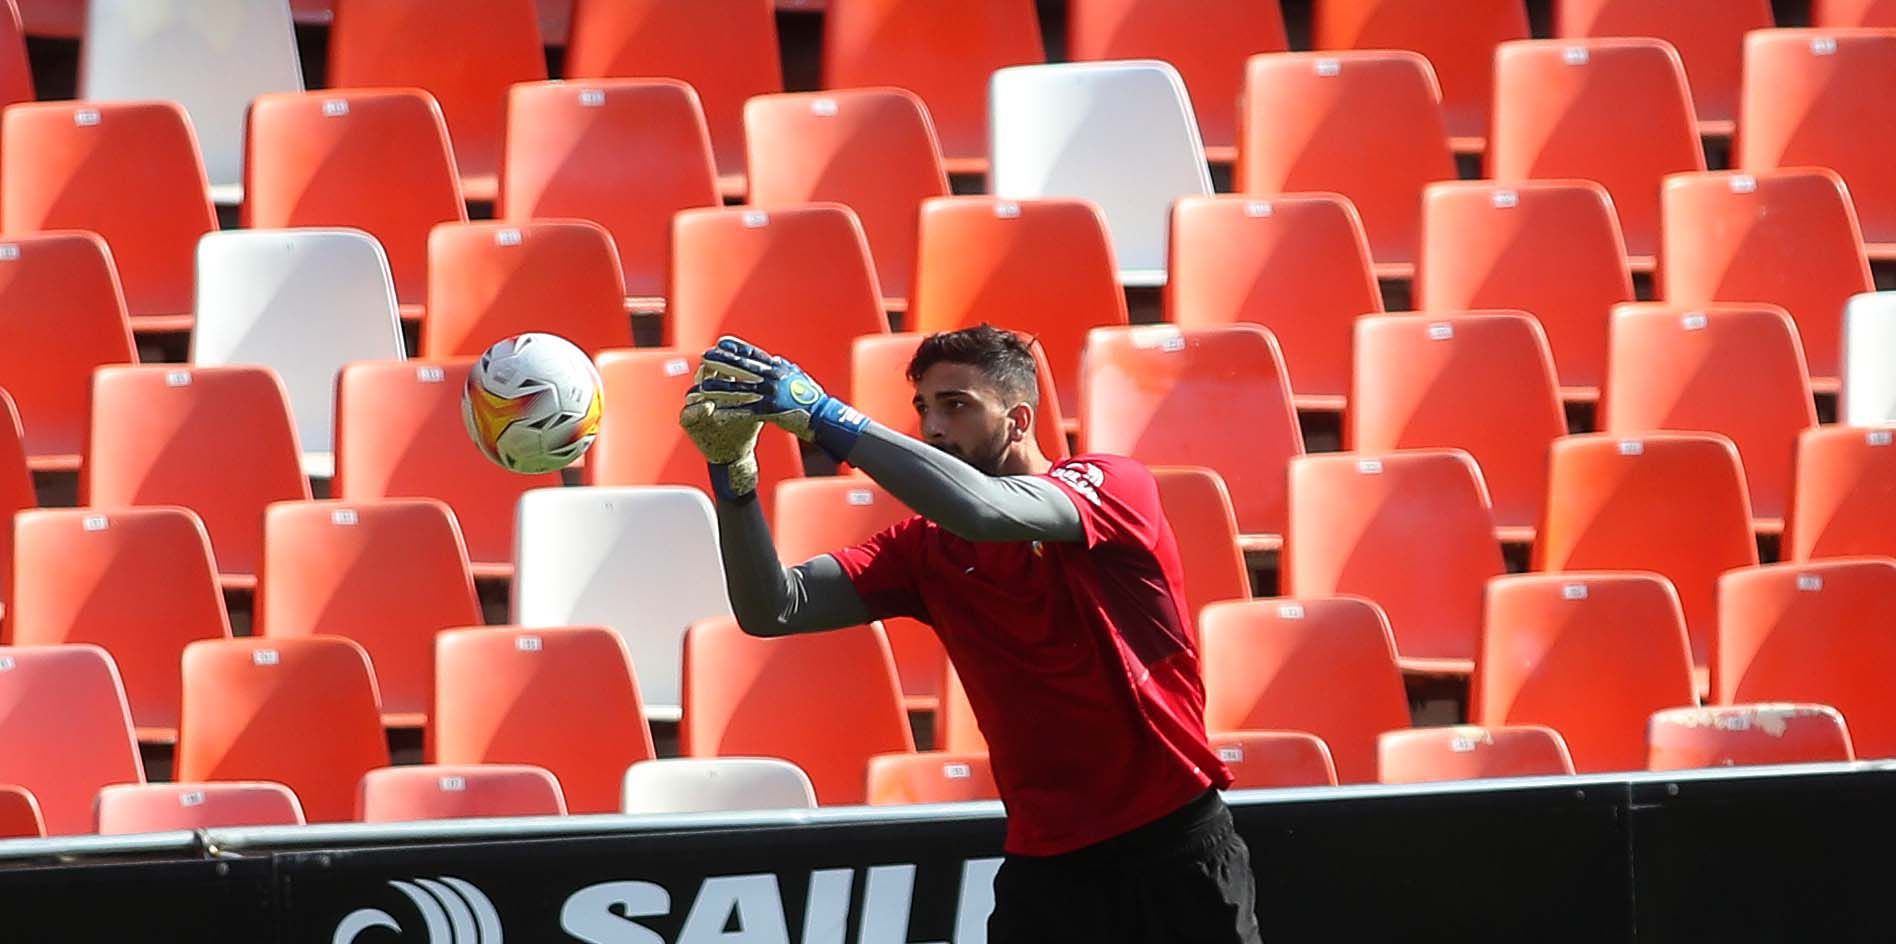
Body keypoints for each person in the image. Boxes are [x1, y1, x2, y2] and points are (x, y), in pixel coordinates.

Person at [679, 325, 1261, 944]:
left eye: (955, 406)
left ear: (1017, 420)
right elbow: (774, 608)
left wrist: (823, 416)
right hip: (1047, 868)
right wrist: (732, 475)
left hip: (1173, 843)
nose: (932, 428)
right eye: (924, 408)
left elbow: (983, 510)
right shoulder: (924, 550)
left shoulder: (1115, 487)